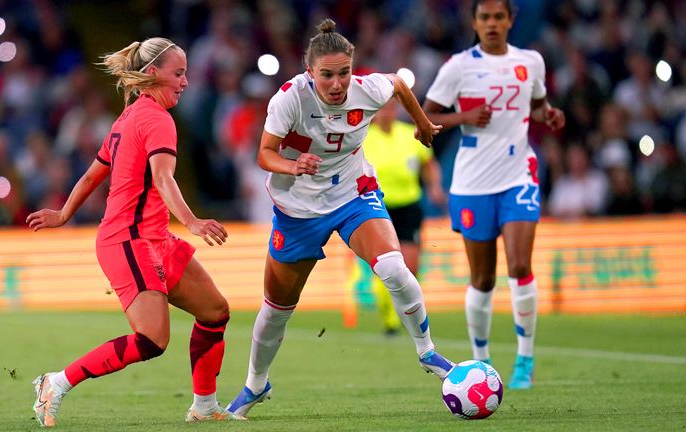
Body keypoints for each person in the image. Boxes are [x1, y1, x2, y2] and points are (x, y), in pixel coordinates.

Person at [225, 19, 454, 419]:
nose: (336, 84)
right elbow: (264, 153)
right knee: (277, 309)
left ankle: (427, 353)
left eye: (343, 73)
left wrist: (421, 124)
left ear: (353, 68)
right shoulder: (289, 100)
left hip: (353, 193)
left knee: (394, 268)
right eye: (326, 75)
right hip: (297, 208)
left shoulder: (366, 89)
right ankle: (255, 384)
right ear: (309, 72)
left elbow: (399, 85)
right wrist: (293, 168)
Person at [26, 37, 243, 426]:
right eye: (178, 74)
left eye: (187, 73)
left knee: (214, 311)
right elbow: (162, 178)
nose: (185, 82)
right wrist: (192, 222)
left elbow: (95, 173)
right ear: (152, 73)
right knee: (152, 340)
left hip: (154, 238)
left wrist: (63, 213)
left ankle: (205, 407)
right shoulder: (157, 119)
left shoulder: (129, 116)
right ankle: (55, 383)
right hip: (128, 240)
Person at [422, 0, 565, 390]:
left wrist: (548, 114)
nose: (491, 24)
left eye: (498, 17)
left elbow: (536, 106)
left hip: (518, 174)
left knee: (520, 267)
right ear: (474, 22)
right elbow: (423, 120)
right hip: (472, 184)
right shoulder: (458, 67)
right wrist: (463, 118)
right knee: (483, 279)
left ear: (510, 21)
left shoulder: (531, 62)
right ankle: (482, 363)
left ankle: (525, 360)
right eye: (484, 17)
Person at [352, 98, 446, 336]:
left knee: (411, 268)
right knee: (385, 268)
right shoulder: (364, 138)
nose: (387, 114)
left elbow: (429, 163)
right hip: (376, 208)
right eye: (382, 110)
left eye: (391, 109)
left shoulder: (409, 135)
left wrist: (434, 185)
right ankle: (391, 320)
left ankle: (411, 314)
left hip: (408, 206)